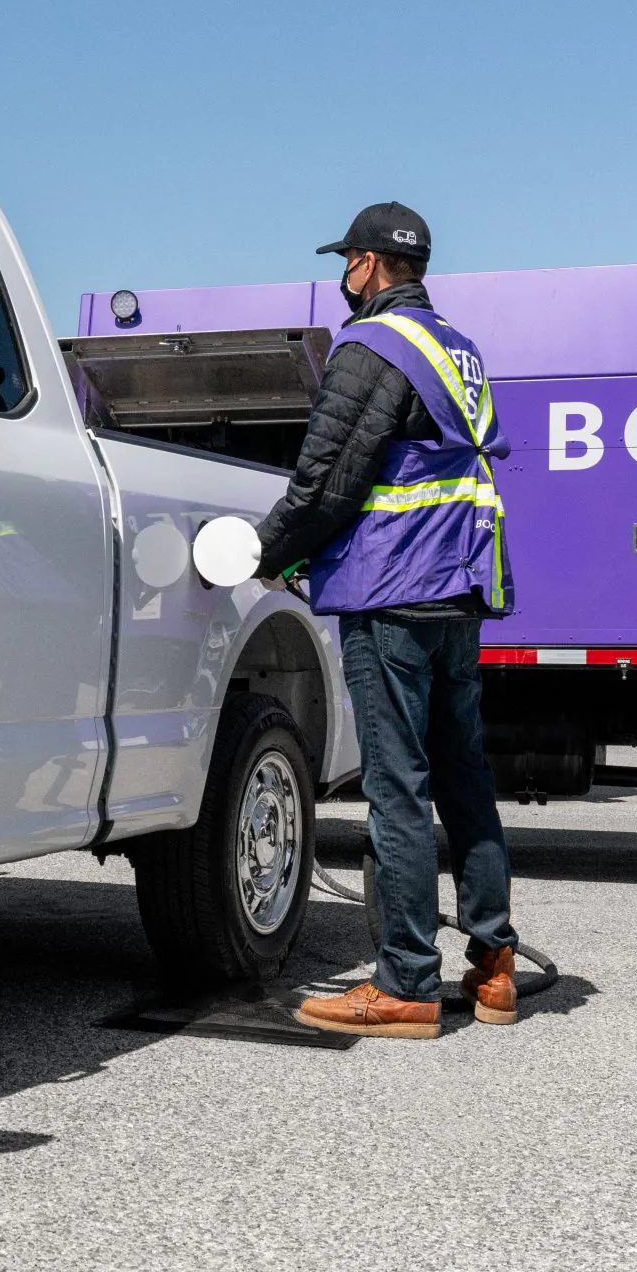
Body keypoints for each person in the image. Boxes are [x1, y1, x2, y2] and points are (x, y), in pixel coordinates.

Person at [253, 202, 520, 1039]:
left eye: (348, 263)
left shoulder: (370, 347)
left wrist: (265, 551)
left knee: (397, 787)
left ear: (368, 264)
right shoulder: (460, 350)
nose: (344, 276)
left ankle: (405, 983)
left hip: (393, 591)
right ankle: (494, 965)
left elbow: (328, 477)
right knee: (464, 779)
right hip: (459, 586)